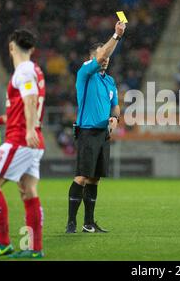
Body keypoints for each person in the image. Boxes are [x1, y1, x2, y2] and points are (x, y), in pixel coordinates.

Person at [0, 29, 46, 258]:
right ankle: (35, 249)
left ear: (11, 47)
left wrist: (28, 130)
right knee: (28, 191)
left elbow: (30, 100)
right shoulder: (35, 70)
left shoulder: (24, 70)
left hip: (20, 139)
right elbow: (23, 107)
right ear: (32, 48)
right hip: (33, 140)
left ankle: (3, 242)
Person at [66, 21, 125, 234]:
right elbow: (101, 55)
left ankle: (88, 223)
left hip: (103, 134)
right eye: (102, 56)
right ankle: (71, 222)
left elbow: (115, 106)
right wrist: (116, 36)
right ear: (92, 58)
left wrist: (115, 119)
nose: (106, 59)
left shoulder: (109, 81)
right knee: (81, 176)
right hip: (87, 131)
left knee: (94, 178)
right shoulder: (85, 73)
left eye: (108, 57)